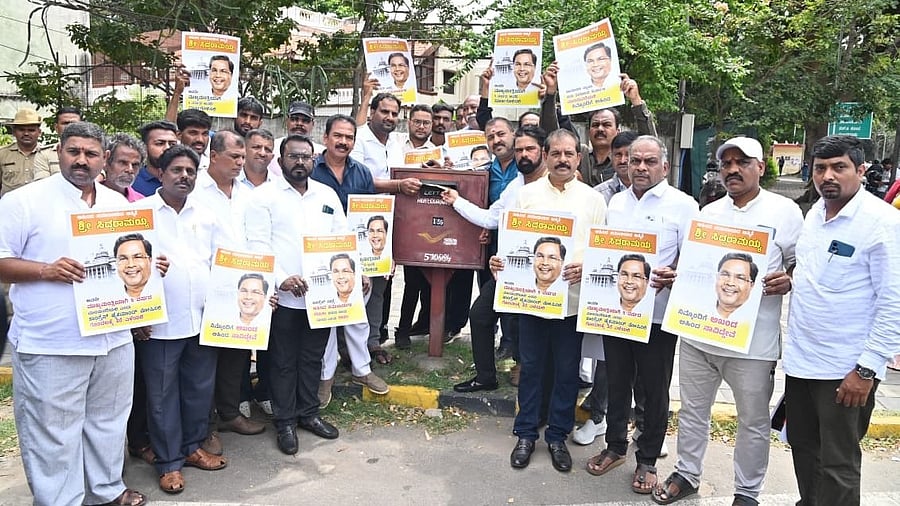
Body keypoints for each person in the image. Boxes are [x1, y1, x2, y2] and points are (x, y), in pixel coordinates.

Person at [0, 121, 147, 506]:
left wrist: (152, 267)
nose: (82, 160)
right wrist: (45, 270)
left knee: (108, 423)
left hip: (113, 337)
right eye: (74, 151)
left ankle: (105, 491)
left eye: (91, 154)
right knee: (53, 432)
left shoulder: (119, 206)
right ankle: (59, 500)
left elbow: (131, 262)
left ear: (104, 159)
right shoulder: (23, 202)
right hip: (52, 341)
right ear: (60, 150)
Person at [653, 135, 803, 506]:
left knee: (752, 421)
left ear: (761, 167)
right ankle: (687, 473)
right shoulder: (708, 214)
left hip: (752, 345)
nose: (733, 169)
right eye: (726, 163)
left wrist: (791, 280)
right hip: (699, 338)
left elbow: (804, 264)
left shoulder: (785, 211)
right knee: (691, 411)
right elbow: (696, 269)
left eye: (742, 162)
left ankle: (747, 493)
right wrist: (676, 276)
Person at [783, 135, 900, 506]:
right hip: (802, 363)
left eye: (839, 167)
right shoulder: (815, 214)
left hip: (846, 369)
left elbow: (894, 302)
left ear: (861, 171)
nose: (828, 176)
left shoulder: (882, 223)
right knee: (803, 447)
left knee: (838, 463)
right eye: (821, 168)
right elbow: (815, 276)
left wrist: (866, 370)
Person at [587, 135, 698, 495]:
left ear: (664, 166)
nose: (641, 167)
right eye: (635, 161)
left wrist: (675, 272)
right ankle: (616, 446)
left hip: (659, 315)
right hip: (616, 311)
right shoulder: (615, 203)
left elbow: (694, 257)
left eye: (650, 161)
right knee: (616, 381)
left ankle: (647, 457)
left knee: (653, 388)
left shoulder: (683, 205)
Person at [496, 128, 607, 473]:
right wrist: (498, 262)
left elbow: (603, 250)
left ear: (578, 158)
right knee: (530, 368)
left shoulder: (593, 200)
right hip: (531, 301)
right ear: (546, 156)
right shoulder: (525, 195)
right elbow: (509, 243)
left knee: (565, 373)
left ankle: (558, 435)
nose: (562, 159)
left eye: (569, 154)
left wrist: (585, 265)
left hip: (572, 304)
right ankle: (526, 433)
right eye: (555, 153)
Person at [245, 133, 346, 455]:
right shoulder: (264, 197)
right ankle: (285, 422)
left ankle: (308, 414)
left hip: (322, 299)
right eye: (293, 157)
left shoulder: (326, 195)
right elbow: (257, 244)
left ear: (314, 160)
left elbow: (342, 240)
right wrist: (280, 279)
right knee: (282, 362)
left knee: (311, 358)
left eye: (305, 157)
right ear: (280, 160)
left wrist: (356, 276)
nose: (300, 162)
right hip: (283, 299)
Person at [136, 143, 226, 494]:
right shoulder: (140, 214)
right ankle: (169, 463)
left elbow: (222, 263)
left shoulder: (205, 216)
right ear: (159, 172)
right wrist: (134, 317)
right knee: (160, 397)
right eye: (177, 170)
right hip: (158, 324)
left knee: (198, 392)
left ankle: (191, 448)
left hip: (202, 320)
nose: (184, 176)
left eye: (191, 171)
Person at [446, 126, 548, 390]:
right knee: (480, 315)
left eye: (530, 149)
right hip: (510, 271)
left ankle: (528, 372)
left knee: (526, 327)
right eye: (520, 150)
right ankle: (486, 377)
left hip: (546, 276)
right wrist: (457, 202)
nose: (524, 155)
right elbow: (492, 218)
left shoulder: (555, 186)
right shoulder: (515, 186)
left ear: (543, 153)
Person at [309, 115, 390, 398]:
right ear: (326, 138)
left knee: (357, 316)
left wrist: (371, 264)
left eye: (349, 137)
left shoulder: (362, 173)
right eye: (338, 136)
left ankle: (362, 369)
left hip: (356, 256)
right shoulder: (311, 170)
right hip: (319, 255)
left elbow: (370, 217)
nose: (343, 142)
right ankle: (325, 376)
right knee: (328, 320)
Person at [577, 77, 658, 186]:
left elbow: (650, 144)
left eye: (606, 125)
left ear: (617, 131)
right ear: (588, 131)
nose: (600, 129)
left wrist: (636, 101)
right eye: (595, 125)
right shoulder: (579, 157)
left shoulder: (628, 160)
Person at [0, 108, 53, 197]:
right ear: (13, 132)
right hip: (10, 207)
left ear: (39, 132)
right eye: (21, 130)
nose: (26, 133)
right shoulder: (2, 154)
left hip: (39, 206)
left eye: (31, 130)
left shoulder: (48, 154)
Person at [268, 101, 324, 176]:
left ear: (313, 124)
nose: (299, 124)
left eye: (305, 121)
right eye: (294, 119)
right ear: (287, 121)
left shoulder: (322, 153)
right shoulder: (272, 148)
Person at [134, 121, 179, 196]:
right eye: (160, 144)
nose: (167, 148)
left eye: (172, 144)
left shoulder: (186, 181)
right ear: (144, 147)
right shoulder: (132, 182)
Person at [102, 133, 146, 203]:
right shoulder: (87, 197)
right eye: (123, 163)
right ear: (106, 163)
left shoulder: (142, 203)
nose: (130, 170)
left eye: (135, 165)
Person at [714, 253, 758, 319]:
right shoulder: (698, 309)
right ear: (717, 277)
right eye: (725, 275)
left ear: (751, 285)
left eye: (740, 278)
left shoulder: (752, 317)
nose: (730, 283)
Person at [115, 234, 153, 299]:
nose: (131, 265)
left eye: (137, 257)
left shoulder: (161, 289)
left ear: (150, 260)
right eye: (123, 258)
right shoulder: (110, 298)